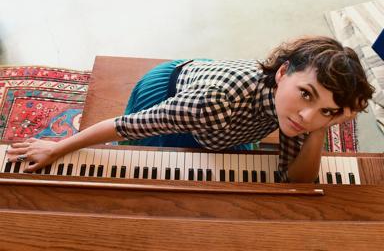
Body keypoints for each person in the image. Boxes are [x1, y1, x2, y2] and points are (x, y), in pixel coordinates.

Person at [6, 36, 374, 183]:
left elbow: (298, 179)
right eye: (307, 95)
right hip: (168, 90)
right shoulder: (212, 104)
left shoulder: (299, 114)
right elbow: (125, 126)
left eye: (329, 111)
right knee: (148, 163)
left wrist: (323, 126)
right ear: (281, 73)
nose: (307, 117)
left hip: (223, 108)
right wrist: (58, 146)